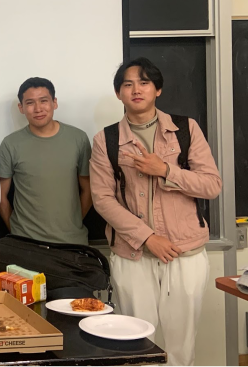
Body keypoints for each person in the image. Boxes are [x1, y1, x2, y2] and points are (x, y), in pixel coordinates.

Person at [90, 57, 222, 367]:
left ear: (157, 89)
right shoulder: (106, 140)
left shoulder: (186, 129)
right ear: (118, 93)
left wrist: (165, 170)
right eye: (128, 84)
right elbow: (103, 199)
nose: (136, 89)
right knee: (135, 346)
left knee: (180, 347)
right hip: (132, 254)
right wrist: (148, 237)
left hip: (184, 252)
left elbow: (211, 186)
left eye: (144, 82)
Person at [0, 77, 92, 244]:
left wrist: (74, 223)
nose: (38, 108)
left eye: (44, 101)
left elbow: (89, 188)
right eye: (30, 103)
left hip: (72, 243)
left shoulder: (79, 139)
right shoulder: (10, 144)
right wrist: (15, 231)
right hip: (26, 243)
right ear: (21, 107)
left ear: (54, 103)